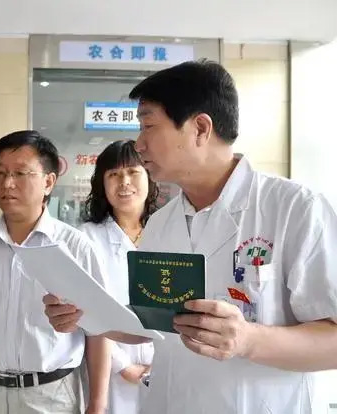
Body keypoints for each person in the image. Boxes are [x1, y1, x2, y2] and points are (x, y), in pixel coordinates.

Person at [44, 60, 337, 414]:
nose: (139, 144)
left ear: (200, 128)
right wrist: (87, 315)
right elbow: (153, 324)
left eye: (149, 126)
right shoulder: (161, 224)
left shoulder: (295, 209)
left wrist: (249, 340)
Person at [0, 130, 110, 414]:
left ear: (48, 182)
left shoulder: (76, 248)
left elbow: (99, 331)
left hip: (51, 396)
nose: (7, 183)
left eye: (20, 173)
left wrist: (97, 405)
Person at [79, 140, 158, 414]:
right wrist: (123, 365)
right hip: (107, 374)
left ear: (149, 177)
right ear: (102, 184)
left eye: (133, 172)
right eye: (114, 174)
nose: (124, 182)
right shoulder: (86, 238)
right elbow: (87, 311)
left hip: (163, 366)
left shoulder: (168, 231)